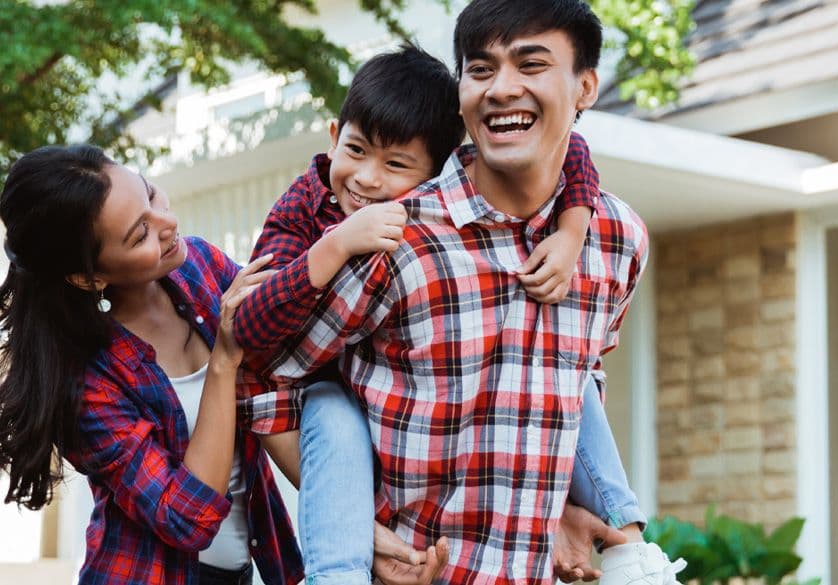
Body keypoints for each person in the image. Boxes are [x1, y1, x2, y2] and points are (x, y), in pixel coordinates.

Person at [244, 1, 685, 583]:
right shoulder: (391, 234)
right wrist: (353, 525)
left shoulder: (614, 238)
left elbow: (577, 382)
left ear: (585, 87)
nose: (503, 88)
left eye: (530, 65)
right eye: (481, 69)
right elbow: (268, 373)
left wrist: (564, 507)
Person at [0, 145, 301, 585]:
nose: (168, 223)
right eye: (139, 235)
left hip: (254, 564)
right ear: (89, 278)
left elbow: (275, 397)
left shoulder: (201, 267)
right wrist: (223, 359)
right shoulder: (84, 385)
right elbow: (190, 518)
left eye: (151, 195)